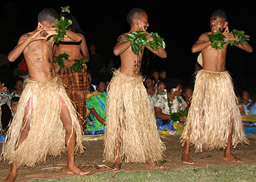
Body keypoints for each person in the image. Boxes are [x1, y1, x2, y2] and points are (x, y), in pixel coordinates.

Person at [2, 8, 88, 182]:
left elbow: (78, 39)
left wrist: (57, 31)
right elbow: (12, 58)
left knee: (70, 125)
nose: (57, 27)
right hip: (36, 89)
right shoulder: (26, 37)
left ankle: (71, 166)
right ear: (45, 23)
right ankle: (13, 171)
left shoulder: (52, 37)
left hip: (54, 88)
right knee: (26, 128)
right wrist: (32, 38)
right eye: (55, 24)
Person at [181, 9, 253, 165]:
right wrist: (214, 38)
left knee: (230, 116)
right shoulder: (205, 36)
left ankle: (227, 152)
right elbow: (194, 49)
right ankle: (185, 152)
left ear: (225, 24)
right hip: (207, 78)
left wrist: (234, 38)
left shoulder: (227, 38)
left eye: (218, 22)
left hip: (222, 80)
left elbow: (249, 49)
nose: (214, 25)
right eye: (212, 22)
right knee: (197, 114)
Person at [103, 8, 167, 170]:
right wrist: (134, 39)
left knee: (143, 120)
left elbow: (163, 54)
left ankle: (148, 157)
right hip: (123, 83)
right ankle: (117, 159)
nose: (148, 24)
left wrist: (151, 39)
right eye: (145, 21)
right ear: (137, 22)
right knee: (120, 121)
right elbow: (116, 51)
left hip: (137, 85)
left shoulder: (145, 39)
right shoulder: (123, 37)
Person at [54, 11, 90, 127]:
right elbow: (49, 55)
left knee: (78, 102)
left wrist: (76, 62)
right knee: (62, 102)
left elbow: (86, 57)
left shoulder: (79, 37)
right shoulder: (55, 37)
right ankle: (61, 130)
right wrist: (61, 61)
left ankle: (78, 130)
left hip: (77, 72)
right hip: (61, 72)